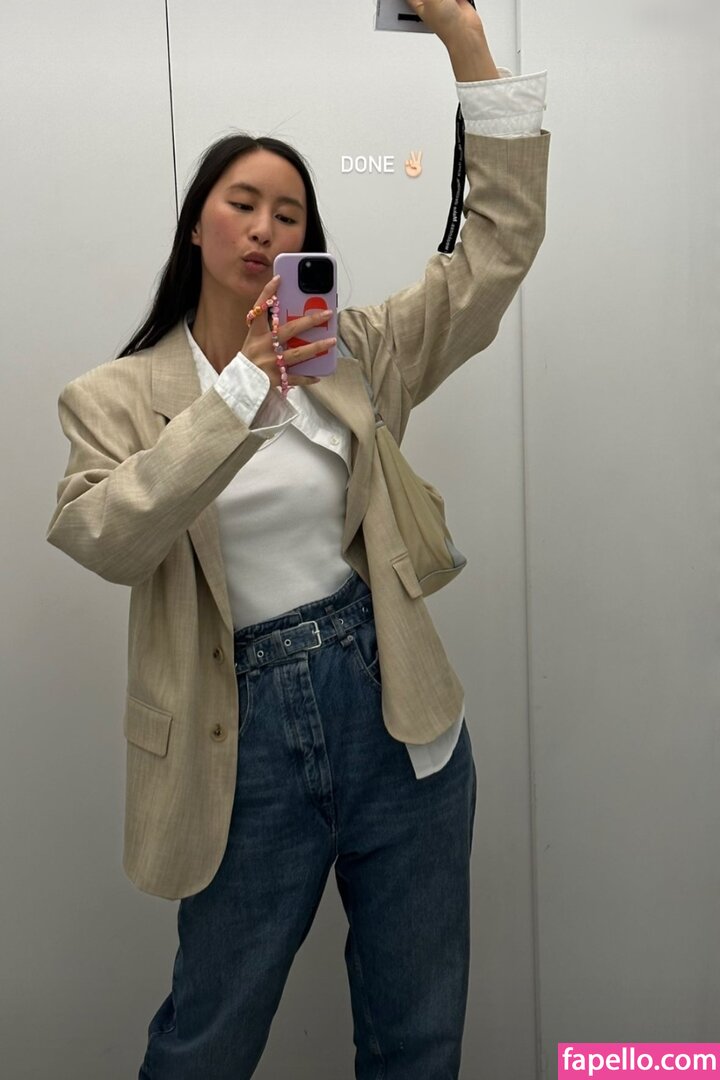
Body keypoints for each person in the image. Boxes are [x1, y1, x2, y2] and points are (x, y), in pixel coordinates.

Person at [46, 1, 549, 1076]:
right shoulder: (113, 397)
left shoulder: (354, 356)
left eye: (290, 213)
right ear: (196, 226)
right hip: (235, 748)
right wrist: (242, 389)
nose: (266, 228)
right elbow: (104, 535)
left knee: (417, 1042)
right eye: (243, 204)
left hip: (395, 713)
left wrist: (465, 41)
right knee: (206, 1043)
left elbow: (495, 256)